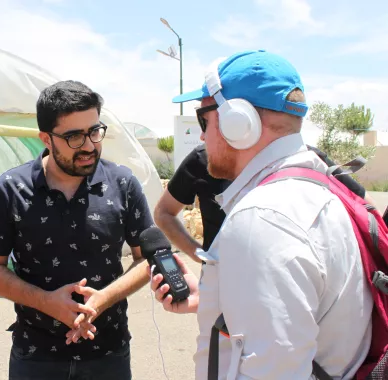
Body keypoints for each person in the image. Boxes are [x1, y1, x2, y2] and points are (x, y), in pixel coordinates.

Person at [150, 50, 373, 379]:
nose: (201, 135)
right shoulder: (320, 188)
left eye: (204, 120)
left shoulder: (264, 218)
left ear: (237, 122)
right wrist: (219, 296)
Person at [0, 80, 154, 380]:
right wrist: (46, 303)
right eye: (73, 136)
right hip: (36, 356)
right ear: (46, 138)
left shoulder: (122, 184)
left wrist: (102, 299)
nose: (88, 146)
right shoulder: (12, 188)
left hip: (108, 352)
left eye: (94, 132)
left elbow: (146, 259)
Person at [155, 143, 369, 260]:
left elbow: (365, 210)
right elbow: (164, 213)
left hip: (297, 292)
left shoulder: (307, 159)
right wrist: (201, 256)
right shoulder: (203, 158)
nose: (203, 133)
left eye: (205, 120)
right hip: (222, 293)